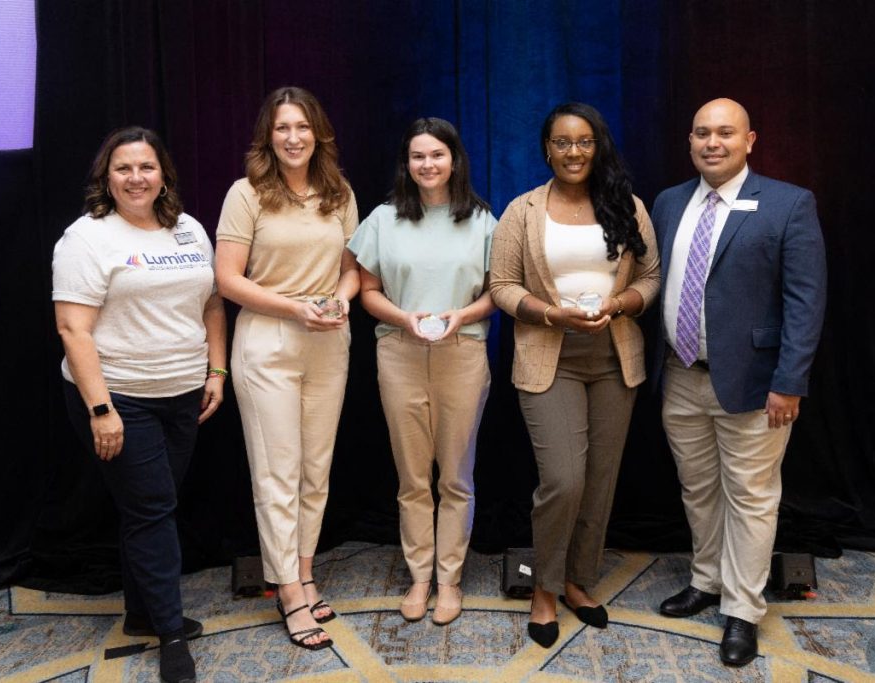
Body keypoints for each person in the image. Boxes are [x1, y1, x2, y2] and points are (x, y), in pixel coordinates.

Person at [651, 98, 827, 666]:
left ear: (750, 140)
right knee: (698, 491)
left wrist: (790, 381)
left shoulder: (789, 204)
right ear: (690, 141)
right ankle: (706, 582)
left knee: (751, 499)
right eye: (702, 132)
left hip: (757, 385)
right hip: (680, 376)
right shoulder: (669, 202)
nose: (713, 142)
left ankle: (743, 611)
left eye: (726, 133)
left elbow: (806, 301)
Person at [53, 126, 227, 683]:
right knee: (154, 510)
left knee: (150, 506)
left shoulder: (188, 229)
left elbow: (214, 305)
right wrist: (101, 410)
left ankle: (139, 613)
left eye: (146, 167)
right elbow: (72, 329)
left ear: (163, 174)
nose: (136, 177)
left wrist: (217, 370)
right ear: (107, 176)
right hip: (121, 396)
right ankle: (171, 635)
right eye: (124, 168)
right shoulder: (86, 238)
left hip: (183, 395)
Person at [489, 102, 660, 648]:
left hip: (614, 358)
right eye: (562, 142)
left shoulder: (627, 206)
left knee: (600, 480)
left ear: (598, 145)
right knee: (564, 478)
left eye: (584, 141)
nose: (573, 151)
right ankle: (544, 588)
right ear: (547, 149)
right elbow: (501, 287)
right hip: (550, 357)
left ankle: (578, 582)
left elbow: (652, 275)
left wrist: (625, 303)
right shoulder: (523, 211)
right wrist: (551, 314)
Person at [214, 86, 358, 651]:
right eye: (282, 129)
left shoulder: (339, 192)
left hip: (328, 340)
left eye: (302, 127)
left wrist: (342, 299)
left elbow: (353, 269)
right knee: (278, 471)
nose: (293, 138)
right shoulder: (246, 193)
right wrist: (294, 306)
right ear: (267, 137)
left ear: (318, 133)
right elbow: (228, 279)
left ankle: (305, 569)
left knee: (315, 469)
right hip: (268, 340)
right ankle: (290, 591)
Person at [348, 117, 496, 626]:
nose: (427, 164)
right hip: (400, 354)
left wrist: (462, 316)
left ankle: (449, 580)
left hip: (462, 353)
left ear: (454, 160)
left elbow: (498, 292)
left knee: (455, 475)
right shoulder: (384, 220)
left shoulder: (480, 220)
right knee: (412, 477)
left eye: (437, 155)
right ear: (406, 165)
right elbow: (366, 291)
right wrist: (405, 318)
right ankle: (419, 577)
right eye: (418, 157)